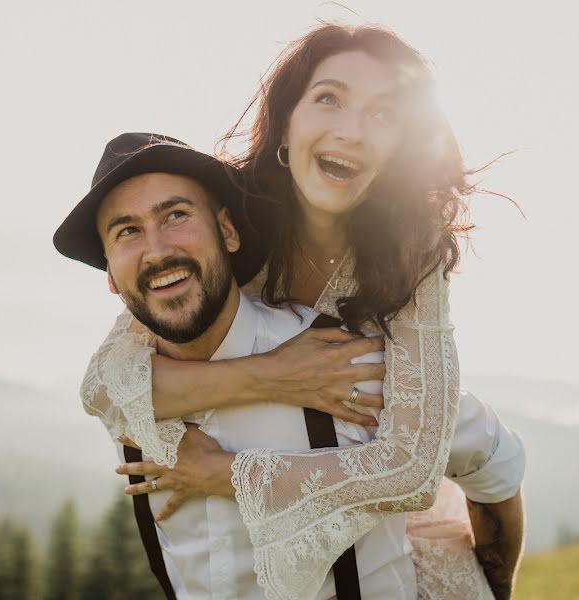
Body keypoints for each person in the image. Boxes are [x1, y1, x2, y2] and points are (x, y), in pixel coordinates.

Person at [58, 23, 525, 600]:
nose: (350, 131)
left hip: (392, 467)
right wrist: (275, 374)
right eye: (329, 98)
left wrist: (224, 474)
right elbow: (107, 384)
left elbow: (416, 464)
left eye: (383, 115)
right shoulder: (231, 221)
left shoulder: (410, 250)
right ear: (287, 120)